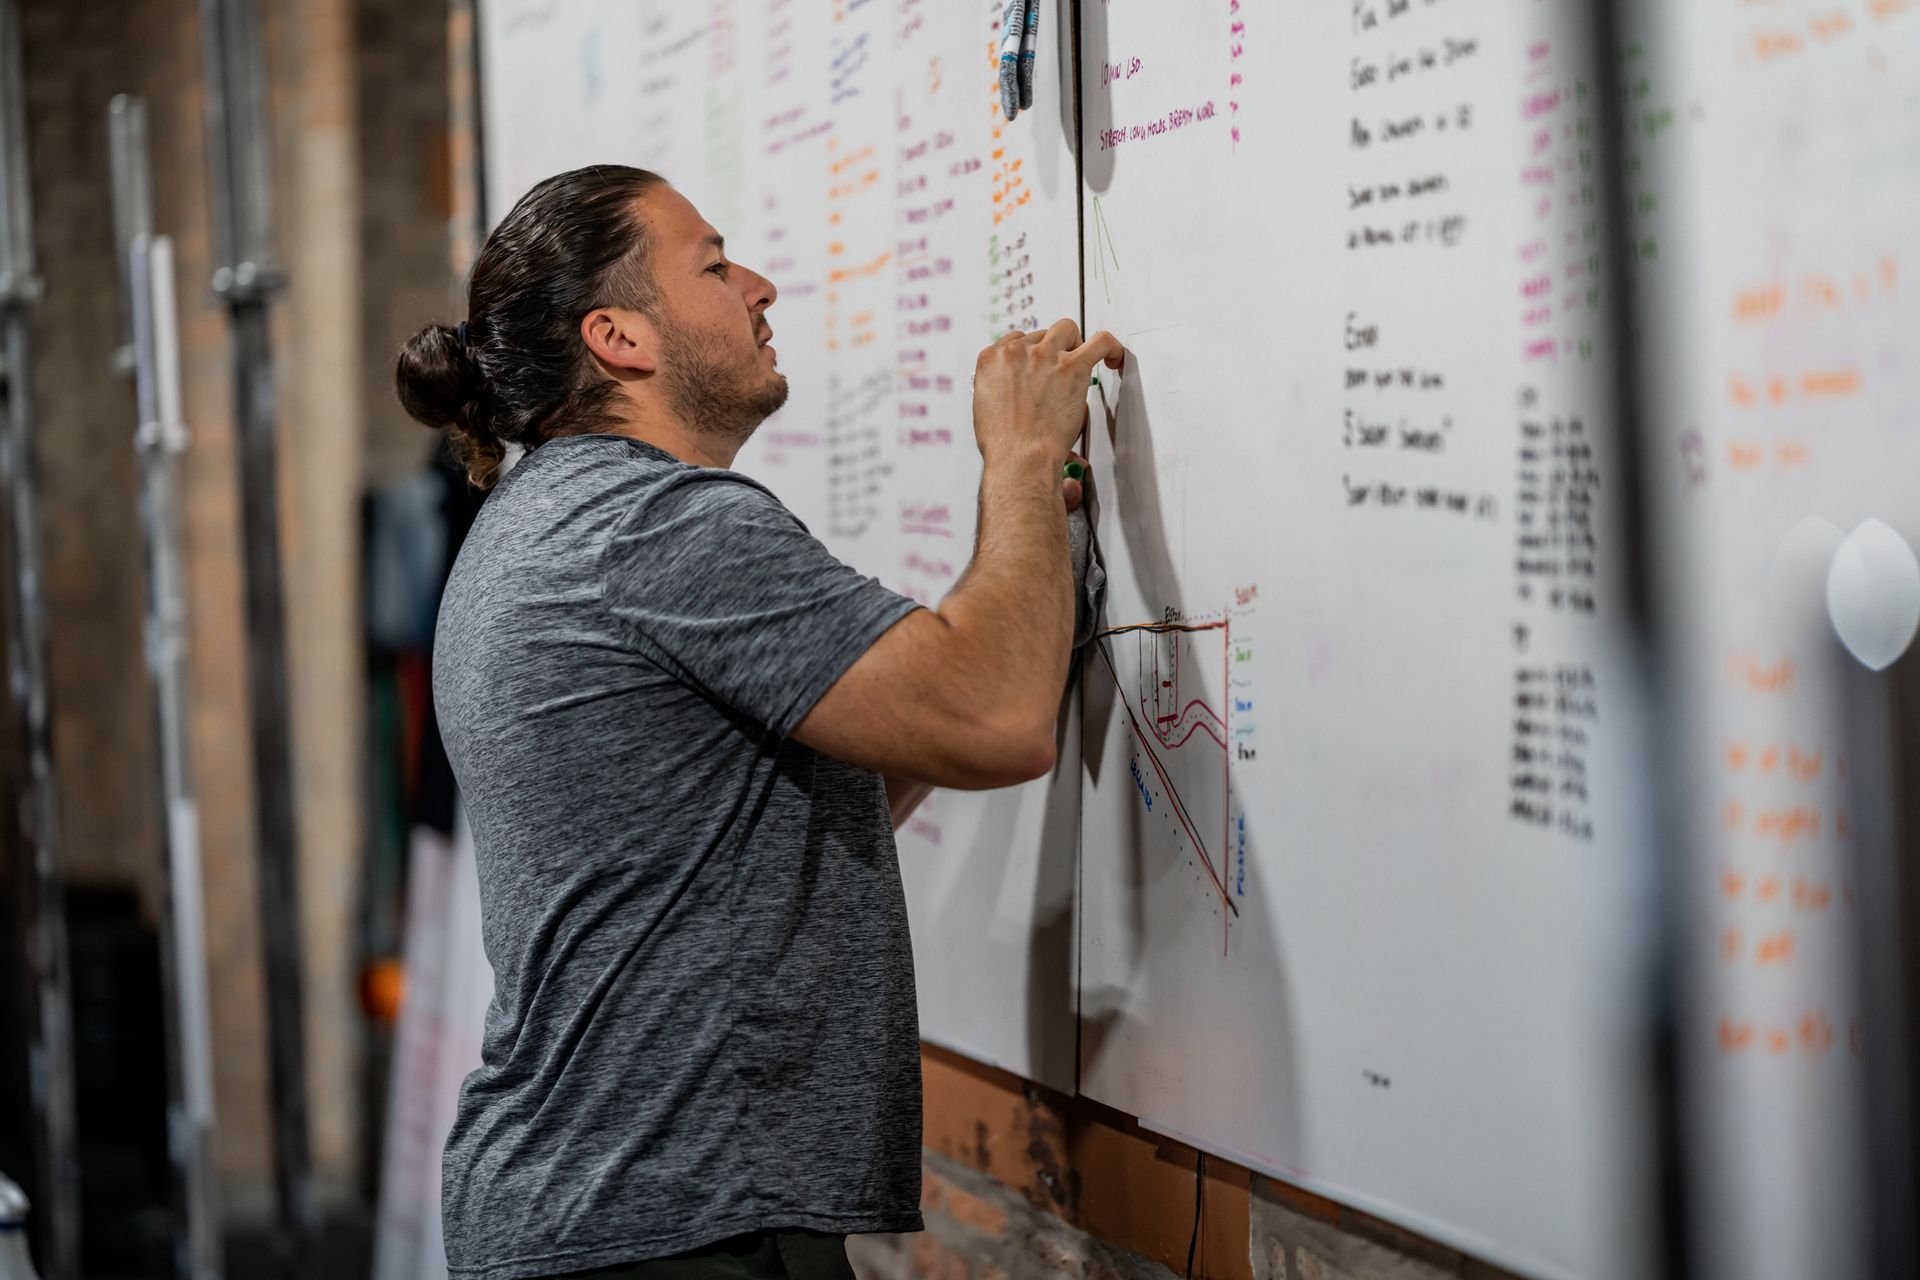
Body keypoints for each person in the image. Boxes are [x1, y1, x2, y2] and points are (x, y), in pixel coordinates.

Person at [394, 164, 1122, 1280]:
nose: (762, 286)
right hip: (673, 1225)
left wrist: (985, 623)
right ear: (619, 337)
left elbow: (762, 819)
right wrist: (1020, 464)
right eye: (716, 264)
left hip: (613, 1213)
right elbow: (996, 720)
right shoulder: (657, 526)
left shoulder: (547, 520)